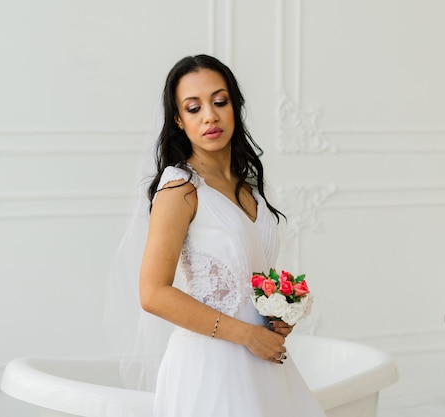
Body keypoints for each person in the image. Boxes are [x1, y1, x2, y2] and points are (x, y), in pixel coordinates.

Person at [133, 54, 326, 417]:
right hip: (211, 368)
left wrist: (276, 315)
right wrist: (247, 334)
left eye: (220, 102)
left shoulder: (250, 186)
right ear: (178, 119)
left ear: (235, 106)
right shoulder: (181, 188)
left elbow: (246, 277)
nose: (210, 116)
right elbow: (152, 293)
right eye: (194, 108)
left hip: (264, 364)